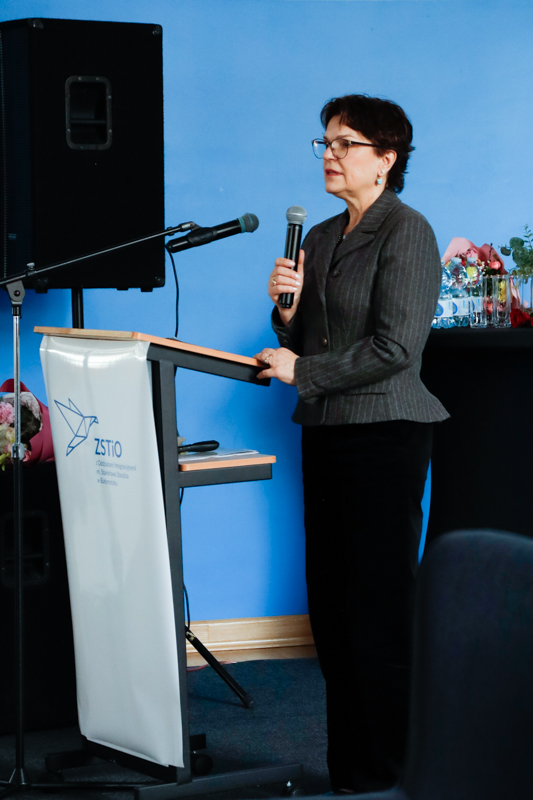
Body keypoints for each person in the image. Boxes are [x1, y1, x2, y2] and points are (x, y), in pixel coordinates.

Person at [255, 94, 449, 794]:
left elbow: (396, 348)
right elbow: (308, 338)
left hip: (387, 435)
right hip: (328, 431)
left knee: (377, 607)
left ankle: (391, 767)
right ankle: (351, 768)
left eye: (345, 144)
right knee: (332, 605)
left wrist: (301, 370)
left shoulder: (408, 232)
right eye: (325, 143)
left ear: (386, 159)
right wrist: (286, 314)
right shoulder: (321, 235)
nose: (330, 155)